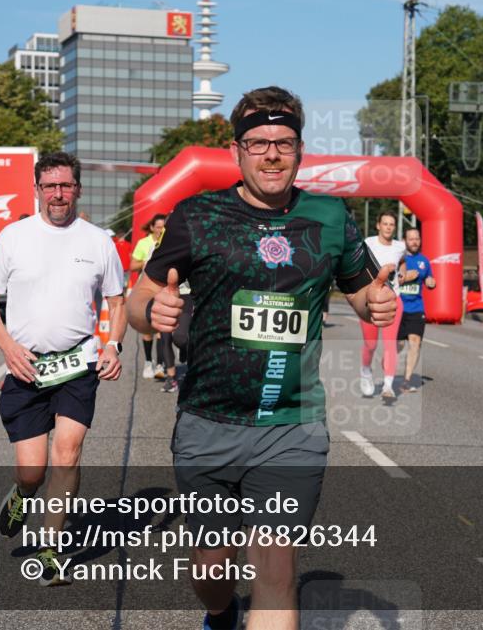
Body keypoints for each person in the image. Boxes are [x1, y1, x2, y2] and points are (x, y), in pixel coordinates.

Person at [128, 86, 397, 630]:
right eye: (258, 143)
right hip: (208, 421)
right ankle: (221, 614)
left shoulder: (329, 216)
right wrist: (149, 313)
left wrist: (379, 303)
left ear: (300, 151)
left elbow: (365, 295)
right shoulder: (197, 215)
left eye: (283, 142)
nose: (271, 154)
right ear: (236, 150)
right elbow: (139, 300)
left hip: (291, 426)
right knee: (211, 567)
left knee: (275, 568)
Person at [0, 151, 127, 586]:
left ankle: (51, 549)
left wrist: (113, 345)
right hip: (26, 369)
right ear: (37, 189)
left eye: (65, 186)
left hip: (77, 364)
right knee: (32, 471)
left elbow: (117, 302)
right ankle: (22, 495)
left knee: (68, 452)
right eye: (50, 186)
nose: (58, 194)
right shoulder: (13, 237)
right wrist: (8, 347)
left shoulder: (98, 241)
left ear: (77, 189)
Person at [360, 212, 406, 400]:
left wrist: (401, 273)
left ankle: (388, 386)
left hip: (394, 299)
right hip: (370, 301)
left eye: (391, 224)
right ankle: (365, 370)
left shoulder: (399, 247)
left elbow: (402, 262)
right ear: (378, 225)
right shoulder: (368, 243)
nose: (388, 227)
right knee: (370, 345)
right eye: (385, 223)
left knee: (390, 344)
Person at [396, 228, 436, 392]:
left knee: (415, 342)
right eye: (411, 239)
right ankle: (388, 362)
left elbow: (429, 279)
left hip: (416, 308)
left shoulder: (424, 261)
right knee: (397, 345)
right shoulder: (398, 258)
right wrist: (405, 277)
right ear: (405, 240)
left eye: (417, 239)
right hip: (398, 307)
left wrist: (431, 282)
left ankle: (406, 380)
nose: (414, 242)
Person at [130, 214, 168, 381]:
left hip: (163, 288)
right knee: (147, 329)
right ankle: (147, 362)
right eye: (158, 227)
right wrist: (145, 261)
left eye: (163, 227)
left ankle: (160, 364)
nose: (161, 230)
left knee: (161, 328)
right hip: (145, 289)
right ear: (152, 227)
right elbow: (132, 265)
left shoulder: (169, 241)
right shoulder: (144, 243)